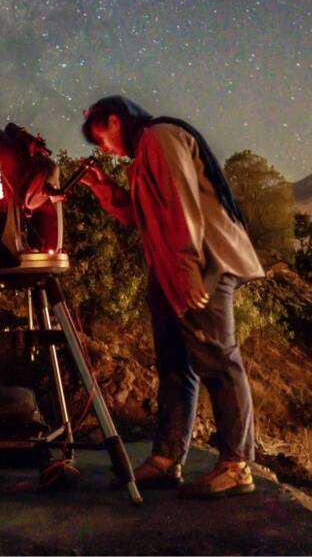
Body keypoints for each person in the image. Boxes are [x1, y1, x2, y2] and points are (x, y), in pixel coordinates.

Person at [78, 95, 264, 498]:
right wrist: (102, 189)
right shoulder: (144, 154)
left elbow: (183, 205)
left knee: (218, 361)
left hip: (203, 263)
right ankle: (166, 459)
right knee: (174, 365)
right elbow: (141, 216)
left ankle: (236, 467)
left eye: (100, 138)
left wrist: (187, 269)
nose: (103, 150)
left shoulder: (160, 137)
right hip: (172, 270)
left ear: (115, 121)